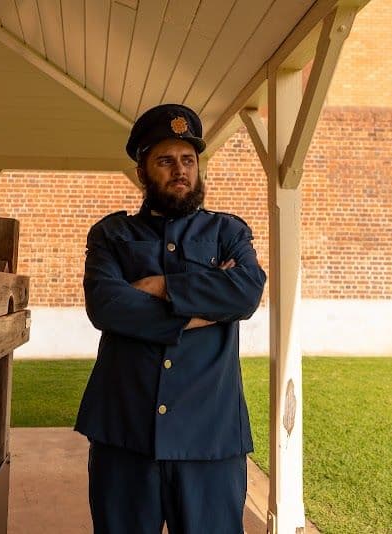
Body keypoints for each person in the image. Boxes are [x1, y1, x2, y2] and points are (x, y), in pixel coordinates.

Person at [74, 103, 268, 533]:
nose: (180, 170)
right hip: (124, 436)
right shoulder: (113, 235)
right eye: (165, 160)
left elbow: (247, 290)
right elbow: (106, 305)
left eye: (188, 160)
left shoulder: (228, 233)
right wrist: (204, 312)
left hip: (210, 440)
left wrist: (162, 287)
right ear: (143, 171)